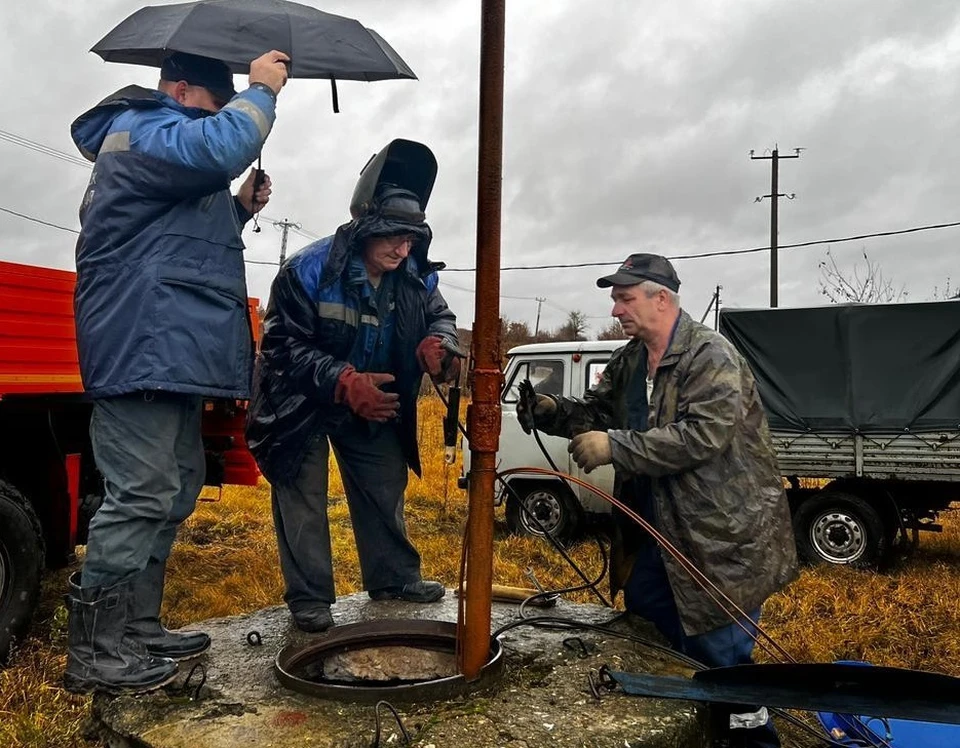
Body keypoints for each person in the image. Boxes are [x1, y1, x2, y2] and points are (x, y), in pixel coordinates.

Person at [64, 50, 289, 695]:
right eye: (214, 107)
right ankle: (95, 653)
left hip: (169, 346)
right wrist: (260, 92)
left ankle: (136, 625)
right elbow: (218, 149)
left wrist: (239, 209)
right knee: (140, 492)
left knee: (174, 486)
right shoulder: (142, 128)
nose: (217, 119)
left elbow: (166, 235)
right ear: (182, 89)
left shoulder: (161, 141)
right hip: (142, 344)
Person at [518, 253, 797, 748]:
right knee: (650, 628)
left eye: (625, 298)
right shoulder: (629, 360)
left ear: (661, 298)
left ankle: (755, 742)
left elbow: (702, 436)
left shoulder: (710, 356)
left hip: (717, 539)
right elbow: (593, 412)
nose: (616, 310)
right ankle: (692, 732)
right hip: (654, 534)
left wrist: (615, 445)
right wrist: (548, 409)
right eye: (615, 300)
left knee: (723, 656)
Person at [245, 141, 460, 634]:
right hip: (297, 403)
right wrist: (342, 381)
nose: (403, 249)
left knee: (385, 485)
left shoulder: (414, 275)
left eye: (411, 238)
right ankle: (310, 598)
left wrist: (439, 343)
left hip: (372, 402)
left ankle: (394, 580)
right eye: (393, 237)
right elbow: (280, 348)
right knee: (304, 502)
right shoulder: (307, 270)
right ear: (365, 228)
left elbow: (441, 316)